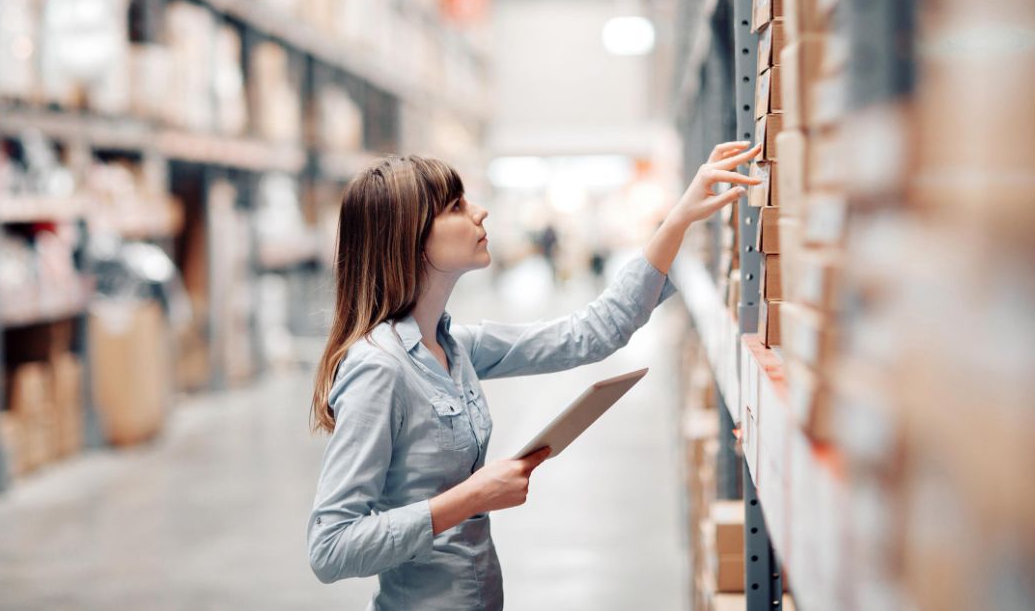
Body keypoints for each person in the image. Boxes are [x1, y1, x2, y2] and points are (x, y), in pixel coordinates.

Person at [308, 143, 761, 610]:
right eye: (457, 207)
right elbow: (330, 547)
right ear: (410, 237)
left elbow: (589, 333)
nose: (480, 213)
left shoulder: (454, 346)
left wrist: (678, 220)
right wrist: (471, 497)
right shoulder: (378, 368)